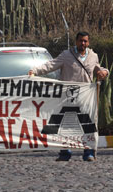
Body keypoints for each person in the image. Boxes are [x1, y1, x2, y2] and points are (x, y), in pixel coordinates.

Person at [29, 31, 109, 162]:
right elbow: (51, 65)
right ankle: (64, 153)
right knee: (63, 126)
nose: (83, 43)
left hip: (85, 97)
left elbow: (98, 69)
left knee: (87, 125)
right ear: (76, 41)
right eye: (80, 41)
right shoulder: (66, 55)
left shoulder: (93, 56)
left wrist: (104, 72)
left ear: (88, 43)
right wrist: (36, 71)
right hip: (67, 96)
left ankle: (88, 152)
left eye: (85, 41)